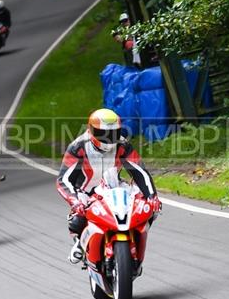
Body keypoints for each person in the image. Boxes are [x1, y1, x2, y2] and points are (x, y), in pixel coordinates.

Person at [55, 108, 161, 264]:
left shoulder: (123, 144)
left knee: (149, 209)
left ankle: (135, 243)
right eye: (102, 133)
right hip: (85, 192)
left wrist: (152, 196)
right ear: (91, 130)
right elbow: (63, 180)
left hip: (113, 187)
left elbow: (140, 171)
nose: (108, 139)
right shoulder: (78, 146)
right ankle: (80, 243)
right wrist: (75, 200)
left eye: (113, 134)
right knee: (77, 220)